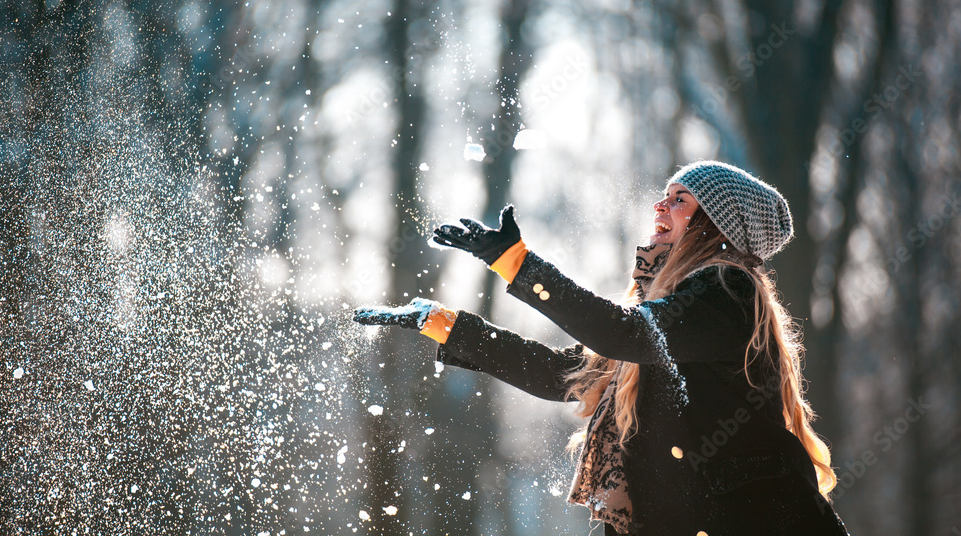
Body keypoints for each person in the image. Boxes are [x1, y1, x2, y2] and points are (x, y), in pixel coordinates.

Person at [353, 160, 849, 536]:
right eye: (663, 195)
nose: (660, 206)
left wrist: (517, 263)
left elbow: (622, 333)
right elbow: (561, 374)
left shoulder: (725, 291)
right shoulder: (667, 306)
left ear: (715, 223)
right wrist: (449, 326)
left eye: (680, 199)